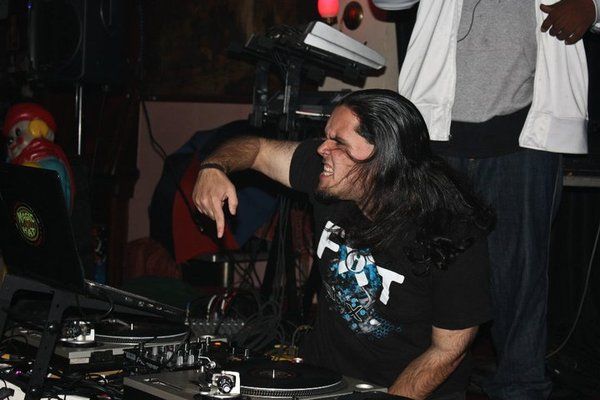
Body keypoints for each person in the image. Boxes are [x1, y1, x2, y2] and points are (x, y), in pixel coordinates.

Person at [193, 89, 494, 399]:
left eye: (339, 143)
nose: (322, 148)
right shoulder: (332, 178)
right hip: (325, 380)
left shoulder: (450, 231)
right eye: (327, 136)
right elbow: (256, 149)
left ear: (383, 159)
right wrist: (213, 167)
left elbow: (447, 350)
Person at [372, 1, 600, 399]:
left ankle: (521, 388)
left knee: (520, 277)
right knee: (422, 267)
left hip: (525, 138)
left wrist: (591, 6)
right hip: (437, 134)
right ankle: (417, 381)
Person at [2, 103, 75, 211]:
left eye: (18, 132)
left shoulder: (53, 166)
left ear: (38, 129)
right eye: (10, 140)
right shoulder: (10, 167)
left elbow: (56, 203)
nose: (13, 143)